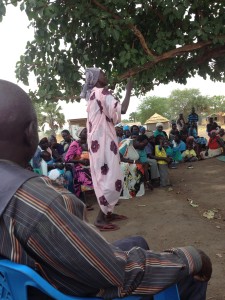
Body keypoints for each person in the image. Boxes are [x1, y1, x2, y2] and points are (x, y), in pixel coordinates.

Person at [0, 80, 212, 300]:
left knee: (137, 242)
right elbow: (118, 274)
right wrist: (189, 258)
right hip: (71, 290)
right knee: (188, 272)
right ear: (30, 132)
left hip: (27, 286)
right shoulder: (39, 202)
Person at [80, 68, 133, 231]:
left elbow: (112, 116)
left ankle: (108, 213)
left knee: (107, 176)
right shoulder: (101, 92)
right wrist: (129, 89)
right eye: (102, 73)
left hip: (100, 142)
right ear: (96, 79)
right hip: (102, 143)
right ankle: (100, 218)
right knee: (109, 179)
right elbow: (121, 110)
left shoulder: (94, 95)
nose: (105, 75)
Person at [65, 127, 93, 199]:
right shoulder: (75, 144)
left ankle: (105, 197)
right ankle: (84, 200)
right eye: (85, 132)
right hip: (79, 167)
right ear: (79, 134)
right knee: (84, 174)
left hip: (91, 165)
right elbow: (67, 159)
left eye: (88, 131)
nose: (87, 133)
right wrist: (80, 161)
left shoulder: (90, 142)